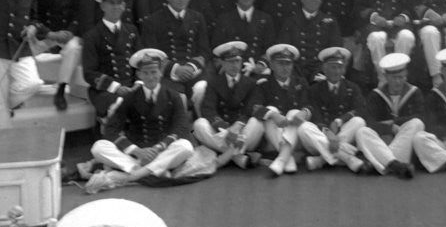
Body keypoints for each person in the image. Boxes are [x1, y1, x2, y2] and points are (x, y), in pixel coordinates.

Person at [88, 48, 196, 189]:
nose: (150, 77)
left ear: (161, 72)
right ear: (139, 74)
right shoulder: (129, 98)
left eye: (154, 72)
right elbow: (112, 129)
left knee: (185, 147)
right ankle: (150, 171)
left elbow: (181, 127)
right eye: (146, 73)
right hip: (137, 152)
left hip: (162, 151)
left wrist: (158, 148)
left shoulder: (173, 96)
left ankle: (134, 175)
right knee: (98, 147)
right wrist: (136, 151)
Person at [192, 41, 265, 169]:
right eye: (230, 61)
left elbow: (251, 108)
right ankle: (238, 157)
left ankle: (227, 155)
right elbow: (208, 109)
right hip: (223, 132)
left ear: (241, 62)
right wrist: (226, 130)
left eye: (237, 61)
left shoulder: (250, 83)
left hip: (243, 130)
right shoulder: (214, 83)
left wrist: (237, 126)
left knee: (257, 123)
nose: (234, 65)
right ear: (223, 63)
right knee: (199, 124)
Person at [297, 47, 369, 173]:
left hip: (342, 133)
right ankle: (347, 158)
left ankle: (320, 160)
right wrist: (327, 131)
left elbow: (361, 109)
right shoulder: (315, 90)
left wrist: (339, 121)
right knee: (304, 127)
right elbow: (315, 115)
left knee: (359, 121)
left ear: (344, 69)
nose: (337, 71)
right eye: (333, 67)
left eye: (340, 67)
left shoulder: (352, 88)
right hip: (321, 136)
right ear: (324, 69)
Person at [355, 52, 422, 178]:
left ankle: (383, 164)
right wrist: (389, 129)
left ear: (406, 75)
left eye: (401, 77)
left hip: (404, 141)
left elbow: (422, 116)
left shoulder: (414, 93)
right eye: (394, 78)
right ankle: (397, 165)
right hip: (383, 140)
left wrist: (395, 122)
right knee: (362, 131)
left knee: (417, 123)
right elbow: (370, 121)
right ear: (386, 76)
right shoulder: (376, 95)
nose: (398, 81)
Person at [81, 0, 141, 119]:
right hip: (105, 90)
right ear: (102, 7)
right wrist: (116, 87)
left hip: (132, 85)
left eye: (120, 3)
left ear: (124, 6)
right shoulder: (92, 36)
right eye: (111, 3)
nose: (116, 7)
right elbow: (89, 73)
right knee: (121, 106)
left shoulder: (132, 31)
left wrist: (138, 83)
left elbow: (141, 62)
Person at [252, 43, 311, 177]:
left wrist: (304, 112)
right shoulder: (263, 83)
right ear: (271, 65)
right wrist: (273, 114)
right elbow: (254, 107)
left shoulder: (300, 83)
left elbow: (310, 105)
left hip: (296, 139)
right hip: (273, 139)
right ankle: (287, 157)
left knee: (295, 112)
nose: (285, 68)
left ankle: (282, 158)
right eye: (280, 64)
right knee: (270, 111)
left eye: (288, 64)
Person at [0, 0, 44, 111]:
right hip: (0, 44)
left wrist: (33, 27)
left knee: (32, 83)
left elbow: (35, 17)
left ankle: (5, 106)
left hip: (19, 45)